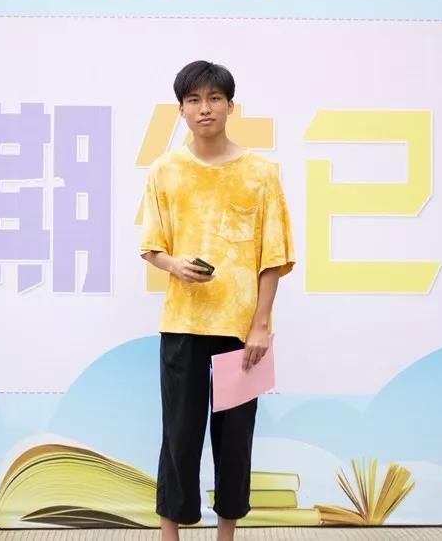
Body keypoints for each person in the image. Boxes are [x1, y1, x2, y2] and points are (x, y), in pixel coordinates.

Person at [139, 60, 295, 541]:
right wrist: (174, 265)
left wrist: (260, 324)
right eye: (193, 100)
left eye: (214, 99)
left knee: (235, 438)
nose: (204, 108)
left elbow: (274, 256)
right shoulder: (165, 171)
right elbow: (151, 246)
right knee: (179, 434)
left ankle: (226, 534)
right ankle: (170, 533)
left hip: (240, 329)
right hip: (183, 323)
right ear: (181, 109)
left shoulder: (261, 173)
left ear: (231, 106)